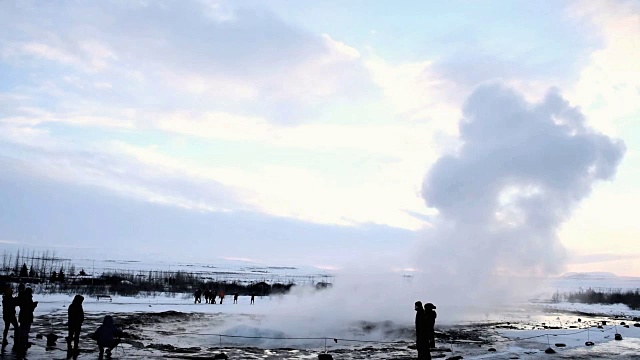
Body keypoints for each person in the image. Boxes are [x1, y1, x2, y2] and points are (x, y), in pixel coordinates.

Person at [17, 287, 38, 354]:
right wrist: (34, 305)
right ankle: (23, 343)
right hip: (27, 316)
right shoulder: (28, 298)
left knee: (22, 328)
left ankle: (21, 342)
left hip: (22, 315)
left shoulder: (22, 297)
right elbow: (29, 308)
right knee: (26, 329)